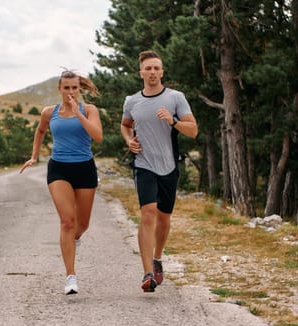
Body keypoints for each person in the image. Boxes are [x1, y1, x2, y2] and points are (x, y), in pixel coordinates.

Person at [121, 50, 198, 292]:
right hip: (144, 165)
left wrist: (173, 121)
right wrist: (128, 141)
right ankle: (147, 274)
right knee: (147, 213)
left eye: (157, 68)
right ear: (141, 72)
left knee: (164, 218)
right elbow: (125, 125)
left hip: (169, 165)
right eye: (148, 68)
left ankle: (157, 258)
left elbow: (193, 130)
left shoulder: (176, 98)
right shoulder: (131, 101)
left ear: (162, 72)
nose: (152, 72)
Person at [19, 69, 103, 295]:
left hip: (84, 168)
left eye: (74, 88)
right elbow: (40, 130)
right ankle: (70, 277)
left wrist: (79, 114)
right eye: (66, 88)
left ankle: (71, 241)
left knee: (81, 224)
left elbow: (97, 136)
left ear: (79, 88)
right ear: (59, 89)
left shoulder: (89, 110)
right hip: (59, 169)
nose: (70, 92)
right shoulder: (49, 112)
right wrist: (35, 156)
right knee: (67, 221)